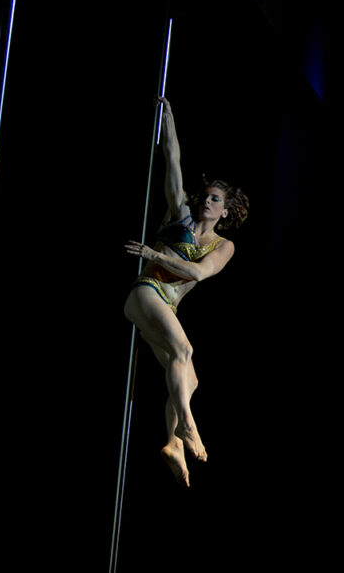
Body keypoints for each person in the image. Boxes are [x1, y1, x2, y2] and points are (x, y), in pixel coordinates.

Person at [123, 96, 248, 487]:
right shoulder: (180, 214)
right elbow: (172, 164)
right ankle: (189, 428)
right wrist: (169, 122)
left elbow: (196, 272)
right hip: (146, 294)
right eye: (206, 195)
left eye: (215, 199)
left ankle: (173, 445)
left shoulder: (221, 246)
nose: (206, 201)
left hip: (165, 310)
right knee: (185, 351)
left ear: (225, 211)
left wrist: (149, 251)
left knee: (189, 380)